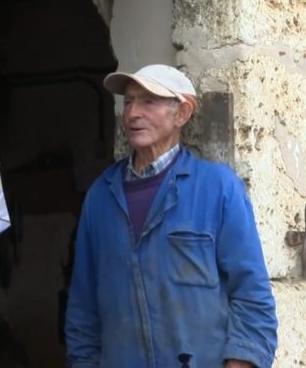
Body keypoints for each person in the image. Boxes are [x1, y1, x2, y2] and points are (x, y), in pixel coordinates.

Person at [65, 64, 277, 368]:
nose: (132, 113)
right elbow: (83, 308)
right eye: (128, 102)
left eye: (148, 102)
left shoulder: (218, 188)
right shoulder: (100, 196)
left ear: (182, 113)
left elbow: (252, 296)